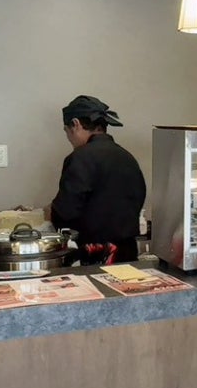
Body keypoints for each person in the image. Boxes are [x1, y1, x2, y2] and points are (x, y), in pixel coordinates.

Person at [49, 95, 146, 264]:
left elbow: (66, 211)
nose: (69, 138)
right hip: (128, 251)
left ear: (76, 124)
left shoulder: (80, 157)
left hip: (98, 253)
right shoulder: (126, 157)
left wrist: (50, 212)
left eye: (67, 131)